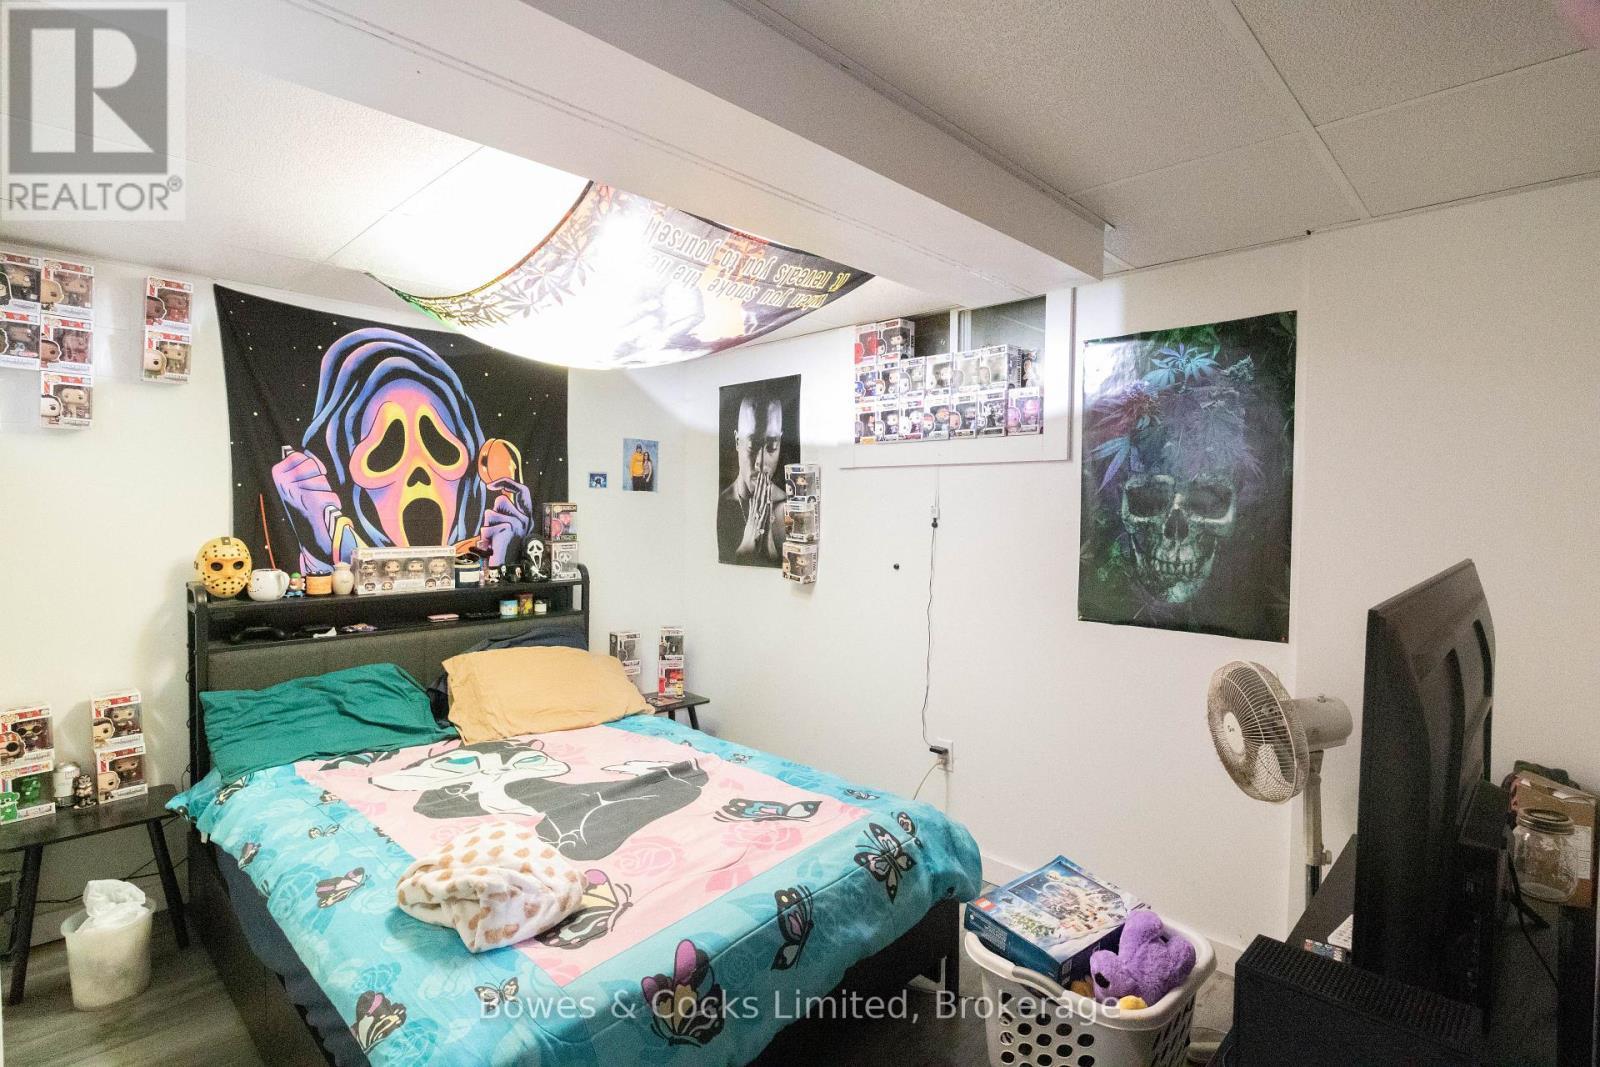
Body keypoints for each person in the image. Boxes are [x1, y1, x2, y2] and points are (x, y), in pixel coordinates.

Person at [716, 391, 788, 565]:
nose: (760, 463)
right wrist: (746, 548)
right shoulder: (725, 505)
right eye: (752, 445)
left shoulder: (786, 506)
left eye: (771, 446)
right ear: (737, 441)